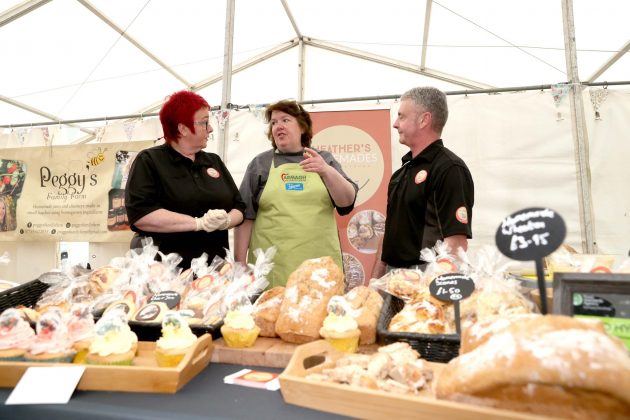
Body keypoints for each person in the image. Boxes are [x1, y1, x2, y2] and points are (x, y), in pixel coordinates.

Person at [234, 100, 358, 288]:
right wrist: (240, 265)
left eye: (285, 120)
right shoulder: (260, 164)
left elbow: (346, 202)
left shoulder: (323, 159)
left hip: (319, 270)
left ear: (302, 127)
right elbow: (245, 216)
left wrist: (326, 170)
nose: (278, 126)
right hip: (273, 270)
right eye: (274, 122)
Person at [125, 90, 245, 269]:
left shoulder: (213, 161)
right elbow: (141, 215)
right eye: (204, 122)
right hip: (166, 273)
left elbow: (239, 207)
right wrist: (198, 223)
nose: (210, 128)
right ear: (182, 129)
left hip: (215, 271)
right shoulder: (150, 160)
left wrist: (227, 220)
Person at [371, 87, 474, 278]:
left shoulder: (450, 168)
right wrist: (375, 284)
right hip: (392, 281)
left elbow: (457, 244)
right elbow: (389, 235)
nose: (395, 124)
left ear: (424, 119)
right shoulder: (401, 173)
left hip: (426, 281)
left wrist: (427, 293)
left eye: (401, 117)